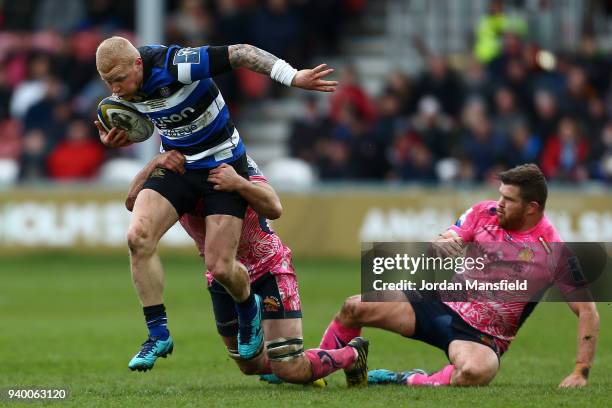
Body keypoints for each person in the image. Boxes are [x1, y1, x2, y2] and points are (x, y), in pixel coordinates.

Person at [94, 36, 337, 371]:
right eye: (108, 83)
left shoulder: (175, 65)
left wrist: (291, 76)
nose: (116, 90)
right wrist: (117, 138)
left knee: (220, 266)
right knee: (137, 237)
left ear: (137, 63)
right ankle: (158, 332)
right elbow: (140, 130)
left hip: (222, 166)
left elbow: (242, 53)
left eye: (119, 80)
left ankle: (247, 306)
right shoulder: (123, 92)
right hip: (179, 164)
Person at [318, 164, 599, 388]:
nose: (499, 203)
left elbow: (588, 311)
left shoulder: (554, 250)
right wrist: (442, 242)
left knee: (476, 372)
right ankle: (319, 371)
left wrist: (580, 371)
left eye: (508, 199)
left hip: (481, 336)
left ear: (532, 208)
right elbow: (448, 237)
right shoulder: (483, 211)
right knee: (354, 306)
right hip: (440, 303)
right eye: (500, 194)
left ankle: (405, 379)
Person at [126, 150, 369, 387]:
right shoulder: (172, 167)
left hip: (268, 268)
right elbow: (131, 203)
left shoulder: (230, 159)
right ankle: (291, 367)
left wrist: (238, 183)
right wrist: (153, 164)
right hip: (223, 276)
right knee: (248, 364)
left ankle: (352, 354)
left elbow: (274, 207)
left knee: (290, 367)